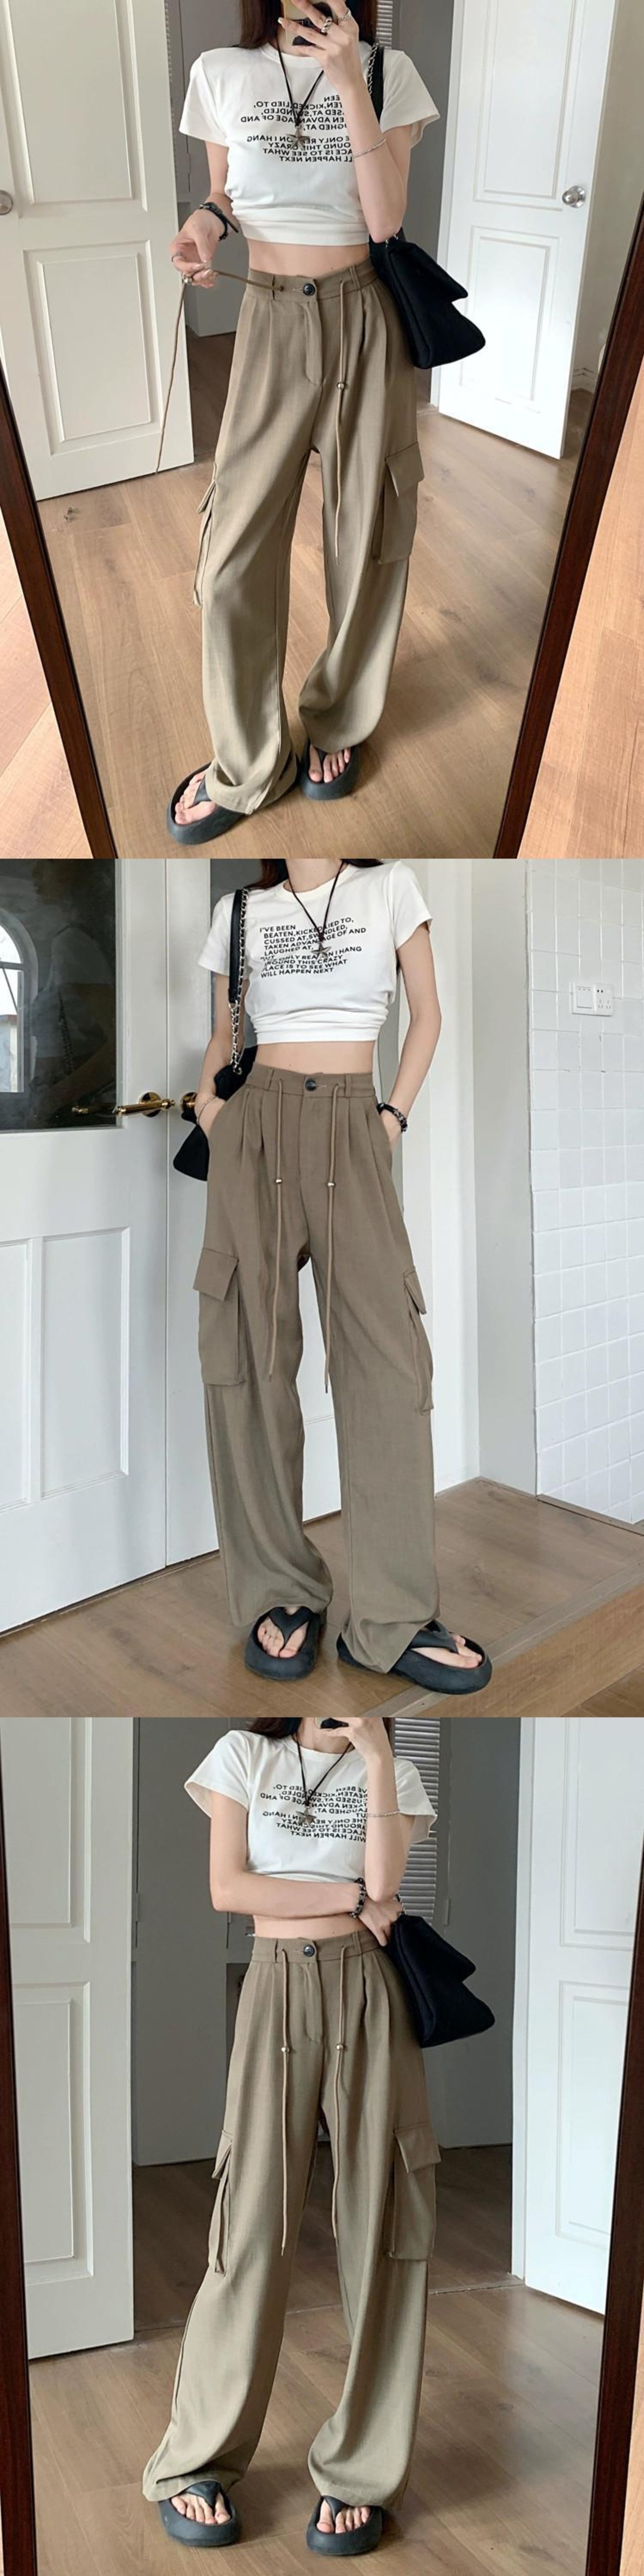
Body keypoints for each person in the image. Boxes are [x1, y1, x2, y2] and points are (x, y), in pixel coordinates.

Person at [142, 1706, 440, 2554]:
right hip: (275, 1982)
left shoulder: (396, 1771)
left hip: (369, 1990)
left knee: (385, 2224)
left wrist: (376, 1755)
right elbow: (230, 1890)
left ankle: (362, 2473)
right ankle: (199, 2458)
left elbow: (388, 1883)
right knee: (249, 2222)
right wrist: (349, 1897)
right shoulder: (244, 1755)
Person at [191, 857, 491, 1694]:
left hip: (354, 1122)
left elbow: (428, 1014)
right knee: (249, 1357)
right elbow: (224, 1034)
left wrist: (390, 1117)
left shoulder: (390, 887)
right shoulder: (241, 910)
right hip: (254, 1127)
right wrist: (212, 1113)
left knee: (389, 1365)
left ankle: (391, 1617)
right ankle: (281, 1589)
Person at [167, 2, 439, 843]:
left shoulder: (390, 73)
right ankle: (251, 761)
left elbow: (385, 219)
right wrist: (205, 224)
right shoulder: (221, 72)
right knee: (232, 550)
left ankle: (338, 717)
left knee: (368, 529)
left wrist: (351, 79)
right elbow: (226, 195)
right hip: (270, 315)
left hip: (366, 314)